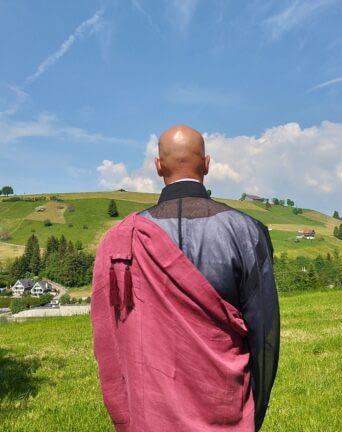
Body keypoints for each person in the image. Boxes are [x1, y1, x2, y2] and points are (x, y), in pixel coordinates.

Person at [91, 125, 280, 431]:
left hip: (149, 415)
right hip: (228, 409)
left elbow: (108, 340)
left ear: (157, 167)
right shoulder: (245, 230)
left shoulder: (118, 240)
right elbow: (264, 332)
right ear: (207, 164)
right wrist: (254, 410)